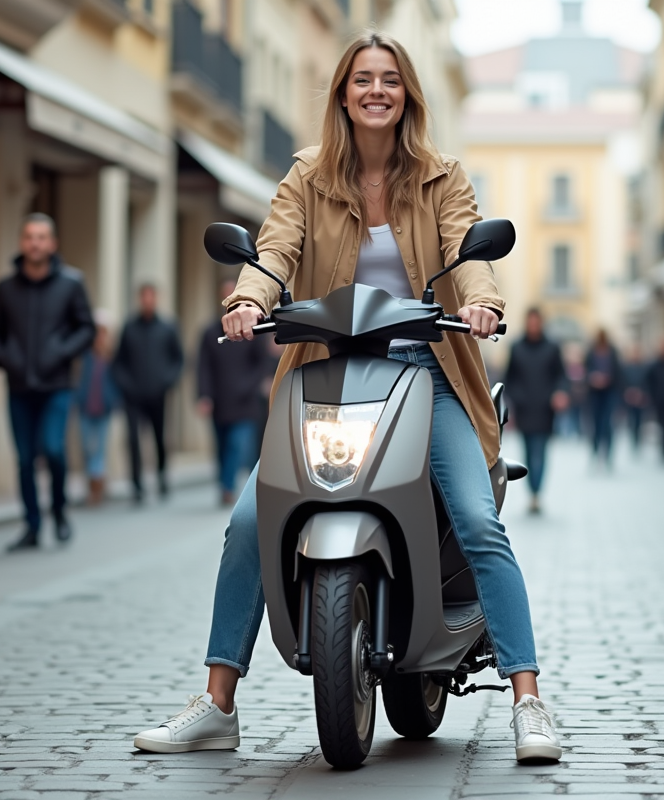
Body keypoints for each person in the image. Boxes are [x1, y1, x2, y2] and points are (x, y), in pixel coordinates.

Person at [133, 31, 561, 763]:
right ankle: (217, 703)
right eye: (362, 79)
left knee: (477, 520)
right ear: (342, 93)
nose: (376, 90)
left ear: (407, 95)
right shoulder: (308, 174)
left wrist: (483, 302)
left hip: (428, 374)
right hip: (328, 373)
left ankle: (528, 701)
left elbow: (467, 254)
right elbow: (276, 248)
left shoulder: (442, 177)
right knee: (249, 523)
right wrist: (248, 298)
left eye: (389, 79)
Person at [0, 213, 95, 551]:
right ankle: (32, 526)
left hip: (56, 385)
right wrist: (6, 359)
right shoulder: (5, 288)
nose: (35, 243)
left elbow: (86, 329)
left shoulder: (71, 283)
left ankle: (59, 511)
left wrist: (60, 352)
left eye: (41, 237)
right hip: (19, 387)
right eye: (29, 237)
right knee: (24, 460)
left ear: (53, 243)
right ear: (22, 242)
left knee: (53, 449)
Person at [197, 279, 273, 506]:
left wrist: (248, 386)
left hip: (245, 402)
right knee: (221, 446)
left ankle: (230, 488)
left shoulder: (254, 331)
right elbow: (203, 367)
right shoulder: (211, 332)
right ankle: (225, 483)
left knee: (237, 445)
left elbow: (262, 364)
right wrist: (204, 395)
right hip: (220, 401)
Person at [112, 285, 183, 502]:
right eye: (144, 297)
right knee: (133, 440)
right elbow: (118, 362)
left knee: (159, 437)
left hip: (157, 395)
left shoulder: (167, 328)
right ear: (139, 299)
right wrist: (126, 385)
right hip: (133, 396)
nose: (147, 301)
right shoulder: (129, 328)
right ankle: (136, 484)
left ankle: (161, 475)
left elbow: (178, 360)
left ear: (156, 299)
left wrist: (167, 382)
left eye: (151, 297)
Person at [504, 307, 568, 514]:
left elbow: (561, 376)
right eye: (530, 321)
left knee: (540, 451)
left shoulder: (552, 347)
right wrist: (516, 398)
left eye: (536, 321)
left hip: (545, 409)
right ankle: (532, 491)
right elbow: (509, 378)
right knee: (528, 452)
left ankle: (536, 493)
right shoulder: (516, 347)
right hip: (524, 409)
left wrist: (559, 393)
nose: (533, 325)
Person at [76, 310, 122, 506]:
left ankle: (96, 488)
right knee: (87, 447)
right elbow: (78, 380)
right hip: (85, 409)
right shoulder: (85, 356)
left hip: (103, 409)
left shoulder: (111, 357)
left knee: (99, 449)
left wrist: (114, 401)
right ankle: (94, 482)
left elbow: (116, 382)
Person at [585, 329, 620, 465]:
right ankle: (595, 451)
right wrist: (593, 378)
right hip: (594, 393)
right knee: (595, 424)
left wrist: (608, 379)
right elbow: (585, 370)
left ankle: (607, 453)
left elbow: (617, 371)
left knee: (607, 423)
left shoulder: (612, 352)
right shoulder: (591, 352)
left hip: (609, 392)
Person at [621, 346, 648, 454]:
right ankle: (633, 440)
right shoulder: (626, 368)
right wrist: (629, 392)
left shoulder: (644, 368)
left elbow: (646, 382)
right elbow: (623, 382)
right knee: (631, 421)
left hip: (640, 398)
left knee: (639, 421)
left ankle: (638, 440)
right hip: (629, 398)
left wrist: (641, 393)